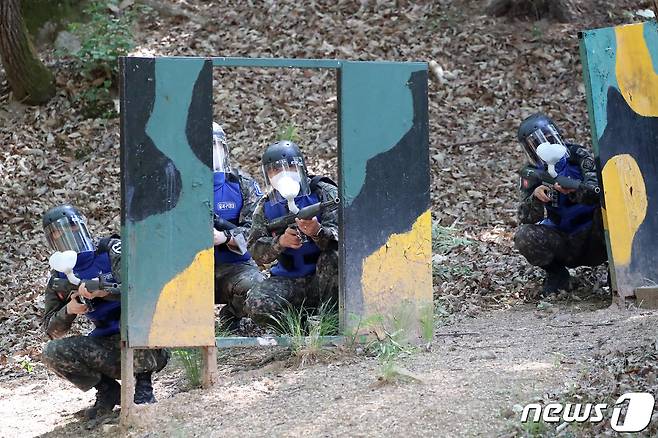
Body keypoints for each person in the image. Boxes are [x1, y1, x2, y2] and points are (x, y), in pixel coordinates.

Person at [40, 204, 169, 420]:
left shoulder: (110, 250)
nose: (66, 235)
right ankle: (108, 391)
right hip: (107, 343)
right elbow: (51, 329)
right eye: (57, 233)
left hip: (148, 338)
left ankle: (144, 387)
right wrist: (70, 310)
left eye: (70, 227)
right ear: (51, 240)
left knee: (134, 318)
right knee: (52, 351)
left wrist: (103, 291)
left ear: (81, 226)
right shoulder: (60, 276)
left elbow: (141, 288)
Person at [245, 140, 339, 325]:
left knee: (335, 257)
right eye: (274, 170)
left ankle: (332, 323)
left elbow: (346, 239)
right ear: (268, 176)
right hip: (289, 280)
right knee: (256, 303)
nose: (282, 174)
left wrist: (317, 232)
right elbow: (254, 250)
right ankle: (297, 330)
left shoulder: (324, 193)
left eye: (289, 166)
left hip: (324, 279)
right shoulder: (266, 207)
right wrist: (280, 242)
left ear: (300, 167)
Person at [514, 113, 608, 296]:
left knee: (609, 214)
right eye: (536, 144)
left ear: (558, 135)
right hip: (563, 240)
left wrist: (574, 189)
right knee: (524, 236)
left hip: (596, 235)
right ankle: (557, 274)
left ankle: (617, 270)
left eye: (549, 138)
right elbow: (525, 218)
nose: (545, 146)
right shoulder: (532, 174)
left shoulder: (579, 157)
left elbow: (598, 192)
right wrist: (536, 198)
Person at [211, 122, 264, 329]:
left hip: (234, 268)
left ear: (224, 149)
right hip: (190, 270)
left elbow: (257, 230)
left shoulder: (242, 184)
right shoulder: (182, 188)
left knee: (259, 290)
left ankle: (232, 315)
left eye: (216, 147)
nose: (212, 153)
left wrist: (225, 237)